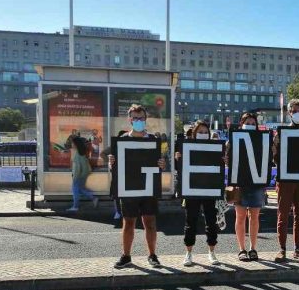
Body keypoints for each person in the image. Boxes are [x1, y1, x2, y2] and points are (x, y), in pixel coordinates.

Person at [108, 104, 166, 269]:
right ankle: (126, 256)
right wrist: (111, 164)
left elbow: (159, 165)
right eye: (135, 118)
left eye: (141, 118)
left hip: (148, 187)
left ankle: (152, 255)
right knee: (128, 223)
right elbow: (115, 167)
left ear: (145, 119)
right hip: (129, 188)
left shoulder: (153, 140)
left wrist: (162, 164)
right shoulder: (122, 140)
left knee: (150, 222)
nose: (138, 121)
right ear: (130, 120)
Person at [175, 120, 221, 266]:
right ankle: (188, 253)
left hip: (209, 189)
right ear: (194, 133)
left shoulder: (214, 147)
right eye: (200, 132)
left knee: (211, 222)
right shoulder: (186, 148)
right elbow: (179, 169)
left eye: (205, 132)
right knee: (190, 222)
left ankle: (212, 252)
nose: (203, 134)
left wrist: (223, 160)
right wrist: (178, 159)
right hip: (192, 189)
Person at [271, 99, 299, 262]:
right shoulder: (280, 134)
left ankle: (297, 249)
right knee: (283, 215)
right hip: (285, 180)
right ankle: (282, 249)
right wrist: (274, 149)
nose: (298, 114)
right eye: (295, 111)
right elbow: (275, 159)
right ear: (289, 113)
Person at [226, 113, 267, 262]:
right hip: (240, 183)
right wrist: (227, 152)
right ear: (242, 123)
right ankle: (242, 249)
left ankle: (253, 248)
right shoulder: (235, 140)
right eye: (247, 122)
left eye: (252, 122)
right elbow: (228, 161)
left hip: (256, 183)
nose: (250, 124)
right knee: (240, 216)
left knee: (254, 217)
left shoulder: (262, 139)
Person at [67, 135, 99, 213]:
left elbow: (77, 168)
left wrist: (75, 177)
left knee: (75, 190)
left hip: (79, 175)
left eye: (72, 143)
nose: (71, 145)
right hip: (84, 173)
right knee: (80, 189)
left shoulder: (78, 154)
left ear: (75, 144)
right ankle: (93, 197)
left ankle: (75, 206)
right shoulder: (82, 152)